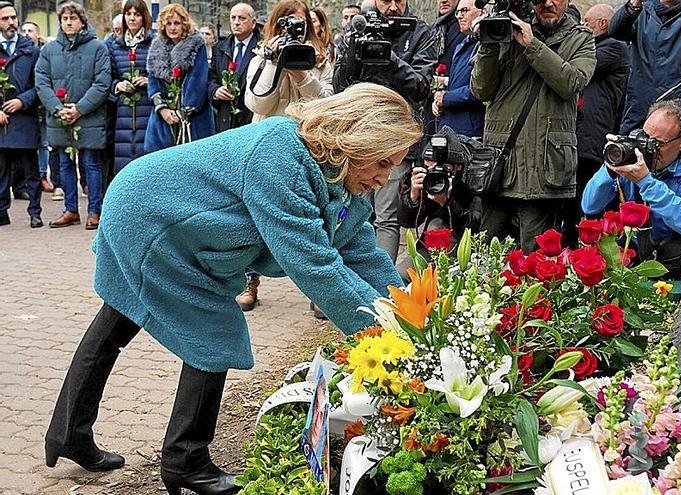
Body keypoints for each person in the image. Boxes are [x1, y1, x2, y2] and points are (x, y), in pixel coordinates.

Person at [44, 83, 420, 495]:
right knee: (214, 334)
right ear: (355, 138)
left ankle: (68, 434)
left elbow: (359, 249)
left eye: (393, 166)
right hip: (153, 217)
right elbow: (316, 266)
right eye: (382, 162)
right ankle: (185, 461)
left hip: (167, 217)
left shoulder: (340, 174)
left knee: (116, 323)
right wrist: (388, 337)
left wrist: (408, 313)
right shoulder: (282, 154)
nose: (385, 178)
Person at [470, 0, 597, 252]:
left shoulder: (581, 39)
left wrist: (532, 45)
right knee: (486, 255)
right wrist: (488, 44)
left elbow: (572, 82)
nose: (549, 3)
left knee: (535, 258)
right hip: (502, 161)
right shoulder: (506, 30)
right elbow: (481, 90)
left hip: (546, 165)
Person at [237, 0, 335, 312]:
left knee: (317, 217)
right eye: (286, 23)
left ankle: (319, 289)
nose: (293, 29)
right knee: (254, 215)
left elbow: (326, 105)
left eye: (299, 24)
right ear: (275, 25)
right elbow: (257, 103)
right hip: (266, 147)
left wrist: (302, 76)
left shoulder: (319, 59)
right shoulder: (260, 57)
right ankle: (248, 281)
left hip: (308, 148)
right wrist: (272, 62)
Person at [334, 0, 438, 263]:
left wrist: (388, 58)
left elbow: (421, 87)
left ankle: (380, 289)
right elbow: (340, 84)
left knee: (385, 216)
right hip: (355, 134)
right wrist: (354, 49)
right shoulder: (359, 27)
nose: (392, 6)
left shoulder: (420, 32)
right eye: (385, 0)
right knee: (344, 209)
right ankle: (339, 281)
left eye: (398, 0)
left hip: (395, 138)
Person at [581, 100, 681, 278]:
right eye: (644, 136)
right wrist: (609, 169)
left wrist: (645, 181)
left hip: (673, 263)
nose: (648, 148)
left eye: (658, 144)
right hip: (632, 254)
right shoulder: (633, 153)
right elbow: (589, 206)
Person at [35, 1, 111, 230]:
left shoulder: (98, 48)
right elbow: (41, 82)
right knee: (65, 164)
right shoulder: (48, 50)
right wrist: (58, 109)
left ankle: (94, 211)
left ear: (82, 21)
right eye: (64, 18)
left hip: (89, 116)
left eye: (73, 18)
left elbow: (102, 83)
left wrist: (79, 108)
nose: (68, 22)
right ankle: (70, 210)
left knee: (90, 163)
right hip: (60, 117)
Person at [563, 3, 629, 247]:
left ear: (603, 24)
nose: (582, 27)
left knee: (588, 198)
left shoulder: (613, 48)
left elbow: (581, 67)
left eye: (587, 22)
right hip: (579, 135)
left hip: (593, 137)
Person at [609, 0, 681, 133]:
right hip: (639, 107)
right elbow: (615, 31)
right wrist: (634, 4)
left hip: (678, 110)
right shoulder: (643, 11)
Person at [397, 126, 481, 279]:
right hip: (429, 243)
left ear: (458, 167)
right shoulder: (423, 177)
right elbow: (405, 221)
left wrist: (447, 202)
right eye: (430, 163)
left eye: (443, 166)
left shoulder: (471, 183)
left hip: (462, 245)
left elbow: (474, 230)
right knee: (399, 276)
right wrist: (413, 196)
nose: (436, 170)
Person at [145, 4, 214, 152]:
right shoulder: (156, 47)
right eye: (168, 23)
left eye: (176, 23)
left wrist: (184, 110)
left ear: (184, 24)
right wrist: (162, 108)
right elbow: (153, 81)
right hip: (164, 116)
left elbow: (198, 79)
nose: (172, 28)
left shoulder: (196, 43)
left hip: (193, 116)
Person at [0, 1, 42, 228]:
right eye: (5, 19)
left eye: (13, 18)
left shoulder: (31, 50)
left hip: (25, 119)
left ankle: (35, 212)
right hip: (1, 122)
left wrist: (22, 101)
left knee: (30, 171)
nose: (10, 23)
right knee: (1, 171)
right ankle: (1, 212)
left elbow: (40, 85)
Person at [107, 0, 154, 174]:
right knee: (123, 157)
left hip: (147, 106)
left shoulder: (153, 43)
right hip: (123, 110)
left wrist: (148, 81)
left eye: (137, 14)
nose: (132, 18)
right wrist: (118, 85)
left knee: (146, 157)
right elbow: (108, 78)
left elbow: (161, 75)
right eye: (129, 14)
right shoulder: (113, 46)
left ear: (144, 17)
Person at [431, 0, 485, 138]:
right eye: (458, 12)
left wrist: (446, 98)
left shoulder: (488, 47)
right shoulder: (461, 45)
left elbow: (481, 90)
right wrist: (439, 99)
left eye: (465, 10)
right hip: (449, 127)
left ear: (483, 12)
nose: (459, 16)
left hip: (471, 132)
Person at [209, 3, 261, 133]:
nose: (236, 22)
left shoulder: (262, 49)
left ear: (253, 23)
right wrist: (215, 91)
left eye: (242, 18)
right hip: (225, 119)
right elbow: (211, 78)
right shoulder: (219, 48)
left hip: (250, 118)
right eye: (233, 18)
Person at [20, 20, 53, 195]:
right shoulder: (19, 52)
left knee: (44, 143)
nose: (26, 33)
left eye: (30, 30)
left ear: (38, 34)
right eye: (24, 30)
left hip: (43, 104)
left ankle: (42, 176)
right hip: (26, 105)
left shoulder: (43, 52)